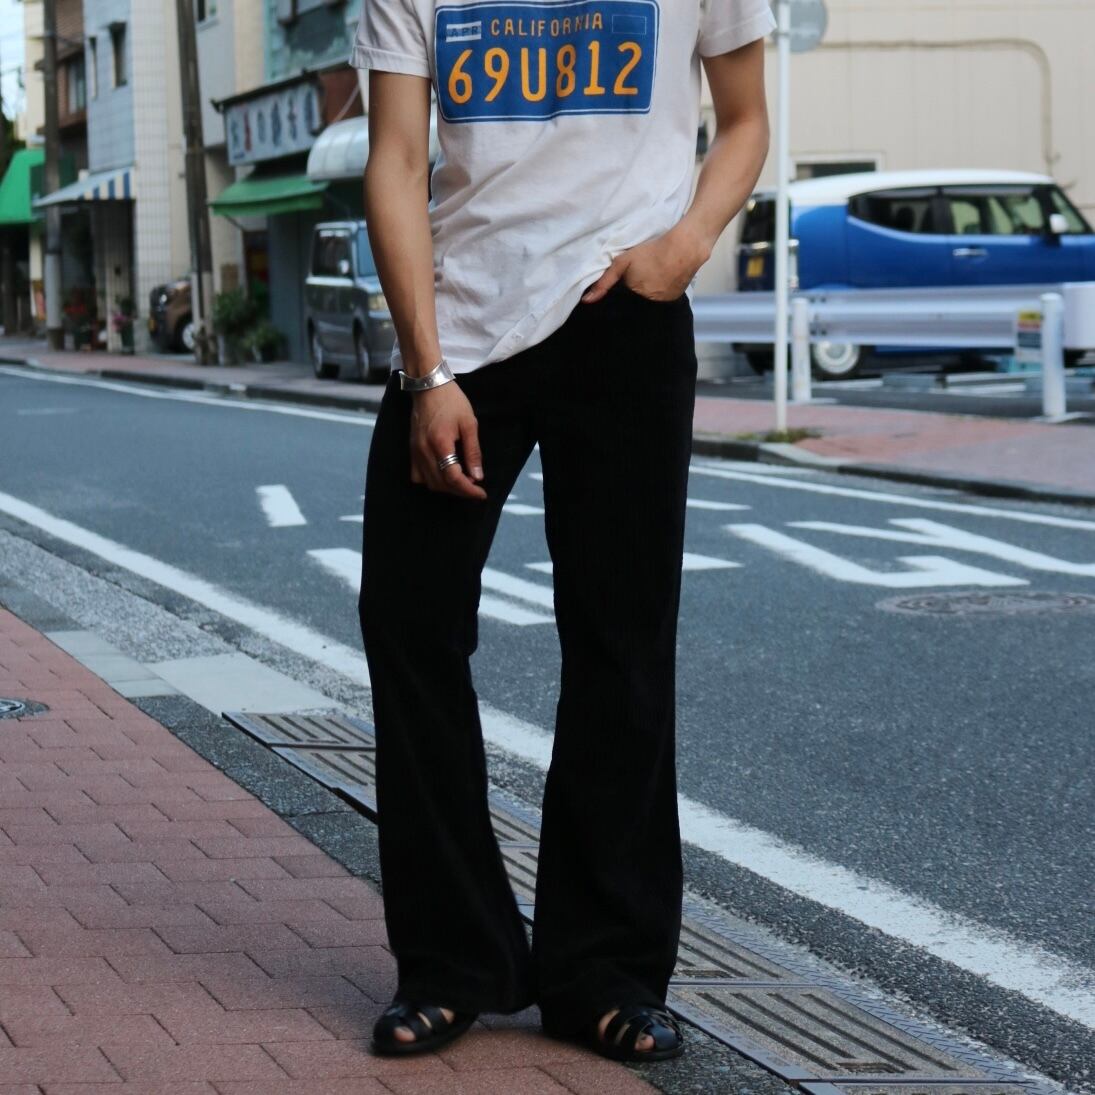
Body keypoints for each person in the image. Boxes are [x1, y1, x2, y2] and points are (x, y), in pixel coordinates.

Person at [352, 0, 774, 1064]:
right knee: (409, 624)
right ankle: (452, 959)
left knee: (620, 640)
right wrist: (426, 372)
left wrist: (682, 247)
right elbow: (395, 160)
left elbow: (745, 122)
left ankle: (605, 970)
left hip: (625, 314)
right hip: (462, 331)